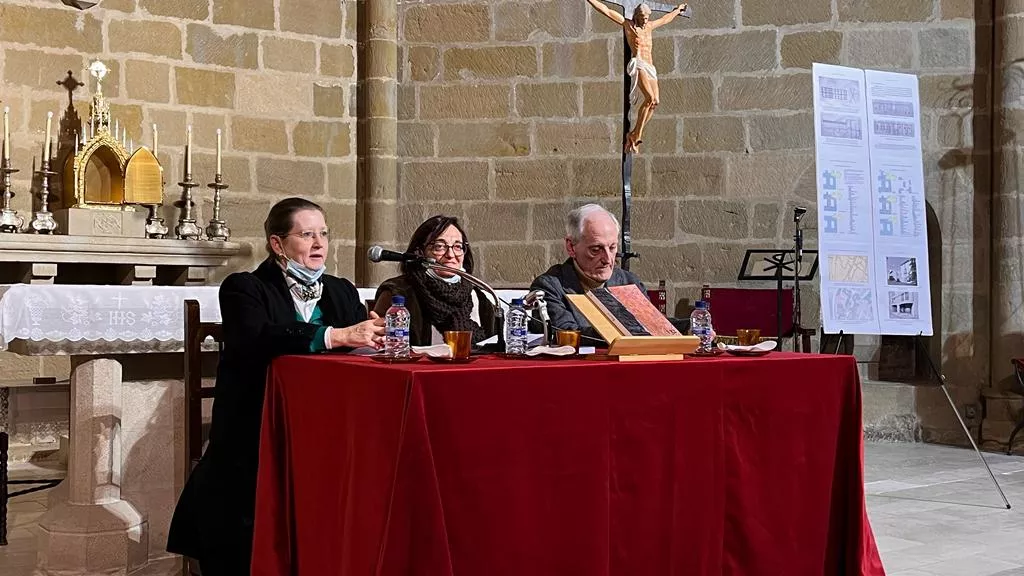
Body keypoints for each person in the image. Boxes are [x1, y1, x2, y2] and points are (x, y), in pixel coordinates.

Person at [167, 198, 385, 576]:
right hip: (258, 425)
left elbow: (357, 348)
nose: (319, 244)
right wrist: (334, 335)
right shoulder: (244, 288)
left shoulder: (341, 291)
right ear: (278, 244)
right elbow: (257, 337)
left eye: (324, 234)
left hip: (326, 428)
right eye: (306, 235)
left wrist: (375, 337)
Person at [373, 215, 498, 346]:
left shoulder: (478, 296)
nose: (451, 255)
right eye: (439, 246)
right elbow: (379, 342)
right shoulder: (398, 292)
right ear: (420, 252)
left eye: (457, 247)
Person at [530, 204, 649, 341]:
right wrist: (629, 333)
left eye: (612, 247)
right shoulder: (550, 288)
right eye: (596, 250)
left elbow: (652, 326)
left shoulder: (630, 282)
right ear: (571, 247)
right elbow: (567, 334)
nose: (608, 259)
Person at [585, 0, 689, 153]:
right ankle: (637, 134)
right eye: (642, 17)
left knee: (655, 102)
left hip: (650, 67)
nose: (645, 20)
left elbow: (666, 19)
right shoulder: (628, 26)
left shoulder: (650, 27)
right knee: (649, 98)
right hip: (639, 64)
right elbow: (606, 10)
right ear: (636, 16)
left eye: (647, 17)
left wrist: (678, 10)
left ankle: (633, 134)